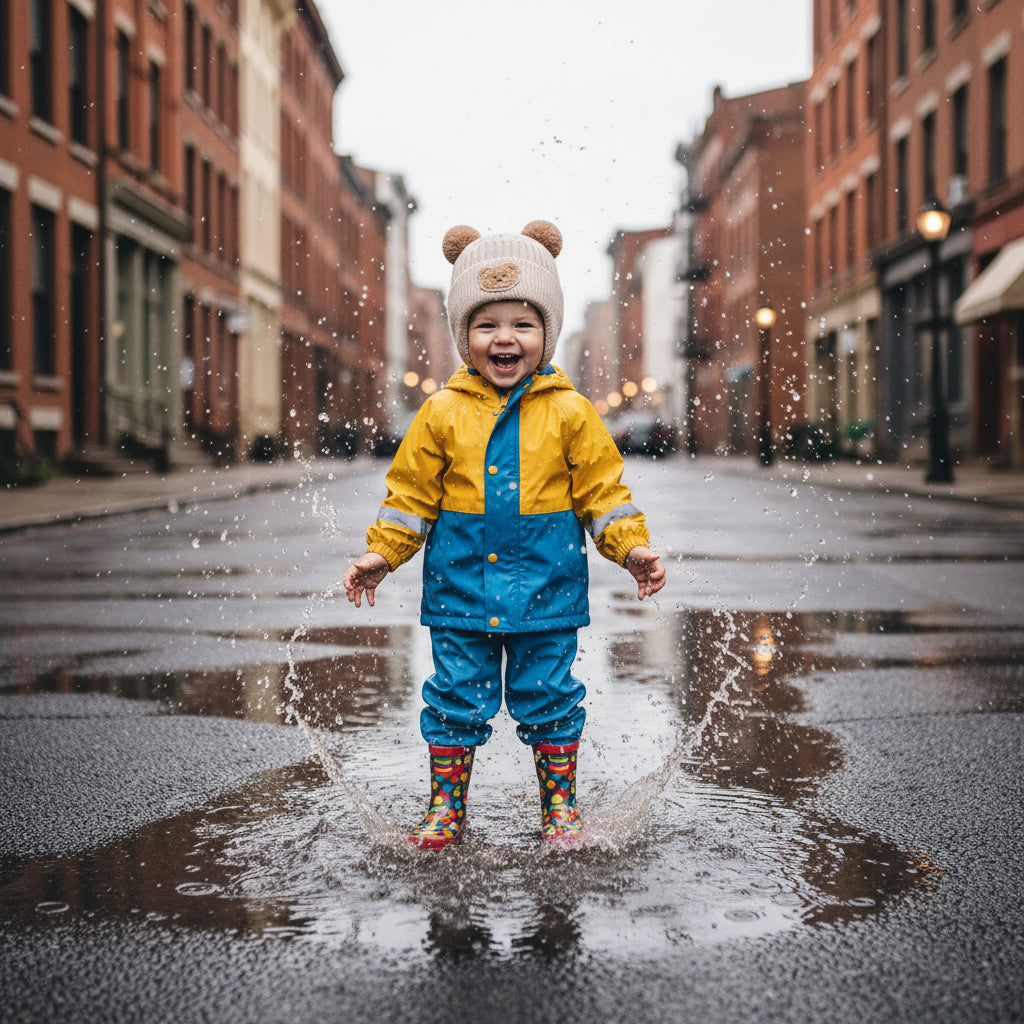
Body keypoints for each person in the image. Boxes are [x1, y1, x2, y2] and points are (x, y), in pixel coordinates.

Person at [342, 220, 665, 850]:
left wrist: (632, 548)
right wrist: (383, 554)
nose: (505, 338)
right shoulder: (441, 412)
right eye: (487, 324)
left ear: (547, 334)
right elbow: (410, 497)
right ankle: (446, 810)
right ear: (465, 336)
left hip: (547, 593)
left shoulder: (572, 412)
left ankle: (560, 810)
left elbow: (604, 492)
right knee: (455, 699)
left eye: (523, 322)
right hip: (460, 592)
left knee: (548, 698)